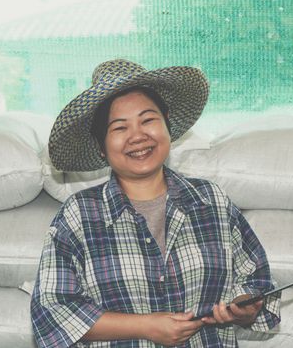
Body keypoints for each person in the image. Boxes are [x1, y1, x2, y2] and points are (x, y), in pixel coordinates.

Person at [31, 59, 280, 347]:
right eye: (119, 128)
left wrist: (243, 308)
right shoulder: (79, 215)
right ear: (101, 147)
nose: (138, 136)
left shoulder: (211, 201)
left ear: (167, 125)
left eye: (148, 120)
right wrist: (145, 326)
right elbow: (51, 312)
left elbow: (256, 280)